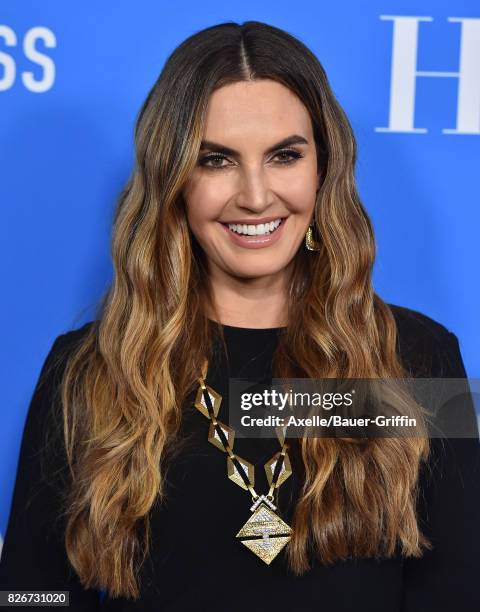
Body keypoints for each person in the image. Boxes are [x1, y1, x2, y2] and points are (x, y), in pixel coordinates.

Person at [1, 20, 479, 612]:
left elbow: (456, 590)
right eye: (216, 160)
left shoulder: (420, 358)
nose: (255, 196)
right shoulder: (87, 369)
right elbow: (30, 592)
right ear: (173, 180)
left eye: (284, 156)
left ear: (322, 169)